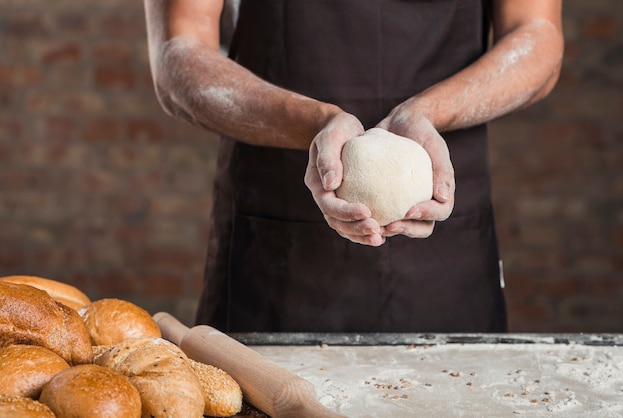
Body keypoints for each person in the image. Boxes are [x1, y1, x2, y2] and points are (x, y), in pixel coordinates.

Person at [143, 0, 563, 333]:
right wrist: (316, 122)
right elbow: (179, 51)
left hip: (445, 248)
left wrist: (429, 111)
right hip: (277, 248)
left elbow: (535, 34)